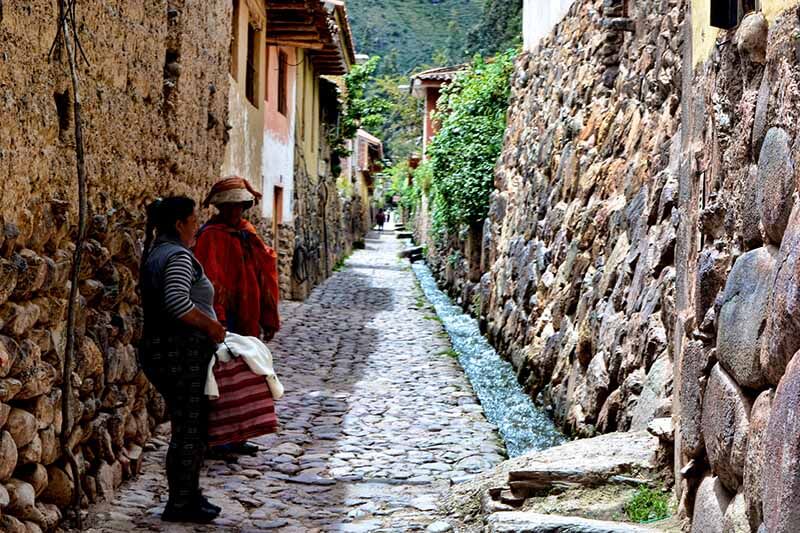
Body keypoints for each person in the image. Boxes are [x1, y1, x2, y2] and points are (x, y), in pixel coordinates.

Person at [138, 196, 225, 524]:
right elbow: (177, 302)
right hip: (179, 351)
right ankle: (181, 502)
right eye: (193, 221)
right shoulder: (176, 256)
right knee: (189, 428)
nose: (197, 227)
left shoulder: (157, 253)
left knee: (187, 426)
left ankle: (187, 494)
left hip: (164, 349)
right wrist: (212, 326)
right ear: (179, 225)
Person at [194, 176, 281, 456]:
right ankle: (218, 438)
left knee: (246, 374)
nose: (234, 212)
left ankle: (239, 435)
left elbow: (265, 273)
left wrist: (268, 316)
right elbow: (208, 277)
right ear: (220, 208)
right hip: (221, 317)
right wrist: (215, 319)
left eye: (239, 206)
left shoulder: (247, 232)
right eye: (229, 207)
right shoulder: (210, 236)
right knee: (220, 377)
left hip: (247, 315)